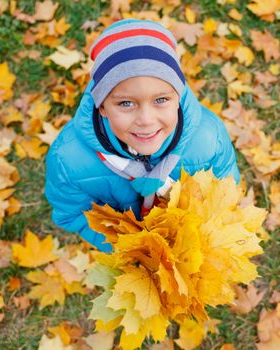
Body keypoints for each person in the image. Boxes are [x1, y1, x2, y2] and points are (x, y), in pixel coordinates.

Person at [44, 19, 239, 252]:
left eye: (161, 100)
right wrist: (127, 251)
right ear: (102, 107)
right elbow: (73, 215)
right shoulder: (68, 160)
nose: (146, 119)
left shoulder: (208, 140)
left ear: (178, 96)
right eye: (126, 103)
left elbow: (225, 196)